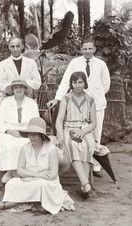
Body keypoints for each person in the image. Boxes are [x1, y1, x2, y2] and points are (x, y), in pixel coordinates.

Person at [47, 38, 110, 178]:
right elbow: (65, 82)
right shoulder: (75, 63)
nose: (87, 51)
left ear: (94, 49)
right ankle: (78, 162)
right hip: (76, 102)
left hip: (96, 103)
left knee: (95, 134)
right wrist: (57, 98)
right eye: (85, 48)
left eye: (90, 48)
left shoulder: (101, 64)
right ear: (81, 49)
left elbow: (106, 84)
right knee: (76, 136)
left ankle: (95, 166)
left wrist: (94, 94)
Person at [0, 117, 74, 214]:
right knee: (11, 183)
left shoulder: (51, 149)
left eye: (35, 134)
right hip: (30, 179)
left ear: (42, 135)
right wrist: (35, 175)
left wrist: (38, 178)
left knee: (42, 184)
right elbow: (20, 170)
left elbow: (53, 175)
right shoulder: (25, 148)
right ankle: (26, 199)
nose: (31, 137)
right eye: (30, 134)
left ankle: (10, 203)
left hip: (47, 182)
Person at [55, 71, 96, 198]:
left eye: (80, 82)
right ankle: (86, 184)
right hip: (69, 129)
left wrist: (84, 131)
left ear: (85, 83)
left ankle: (85, 186)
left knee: (88, 145)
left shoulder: (90, 100)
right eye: (75, 82)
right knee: (73, 145)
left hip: (85, 129)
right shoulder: (66, 99)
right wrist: (60, 134)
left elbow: (94, 123)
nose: (77, 85)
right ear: (71, 84)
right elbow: (59, 120)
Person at [0, 78, 39, 184]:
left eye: (21, 87)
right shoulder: (6, 102)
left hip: (27, 132)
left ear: (24, 89)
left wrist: (28, 132)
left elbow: (36, 121)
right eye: (16, 87)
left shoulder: (31, 103)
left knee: (24, 145)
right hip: (9, 131)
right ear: (12, 89)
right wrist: (9, 131)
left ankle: (12, 172)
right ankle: (13, 172)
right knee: (10, 146)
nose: (18, 89)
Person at [0, 36, 41, 103]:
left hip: (28, 99)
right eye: (12, 46)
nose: (15, 49)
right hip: (8, 100)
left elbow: (37, 83)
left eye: (18, 46)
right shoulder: (3, 64)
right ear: (9, 47)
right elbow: (0, 84)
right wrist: (14, 88)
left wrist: (22, 83)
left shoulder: (31, 63)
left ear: (22, 47)